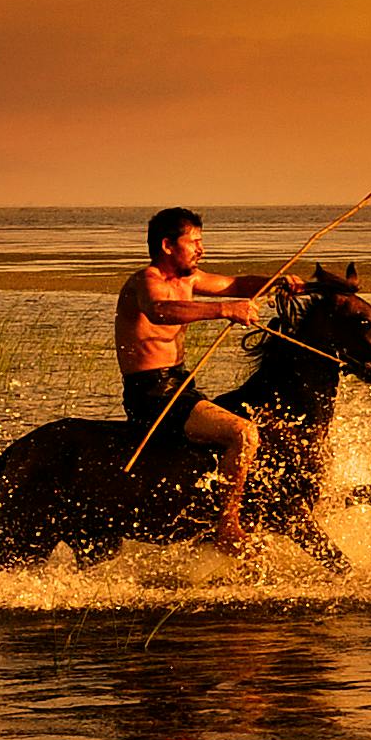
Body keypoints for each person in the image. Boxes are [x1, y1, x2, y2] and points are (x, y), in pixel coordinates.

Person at [116, 207, 272, 551]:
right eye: (195, 242)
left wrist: (288, 284)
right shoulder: (146, 281)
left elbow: (236, 284)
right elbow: (160, 311)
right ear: (168, 245)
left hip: (182, 385)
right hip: (152, 394)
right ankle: (228, 525)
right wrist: (224, 310)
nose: (201, 249)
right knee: (243, 433)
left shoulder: (189, 279)